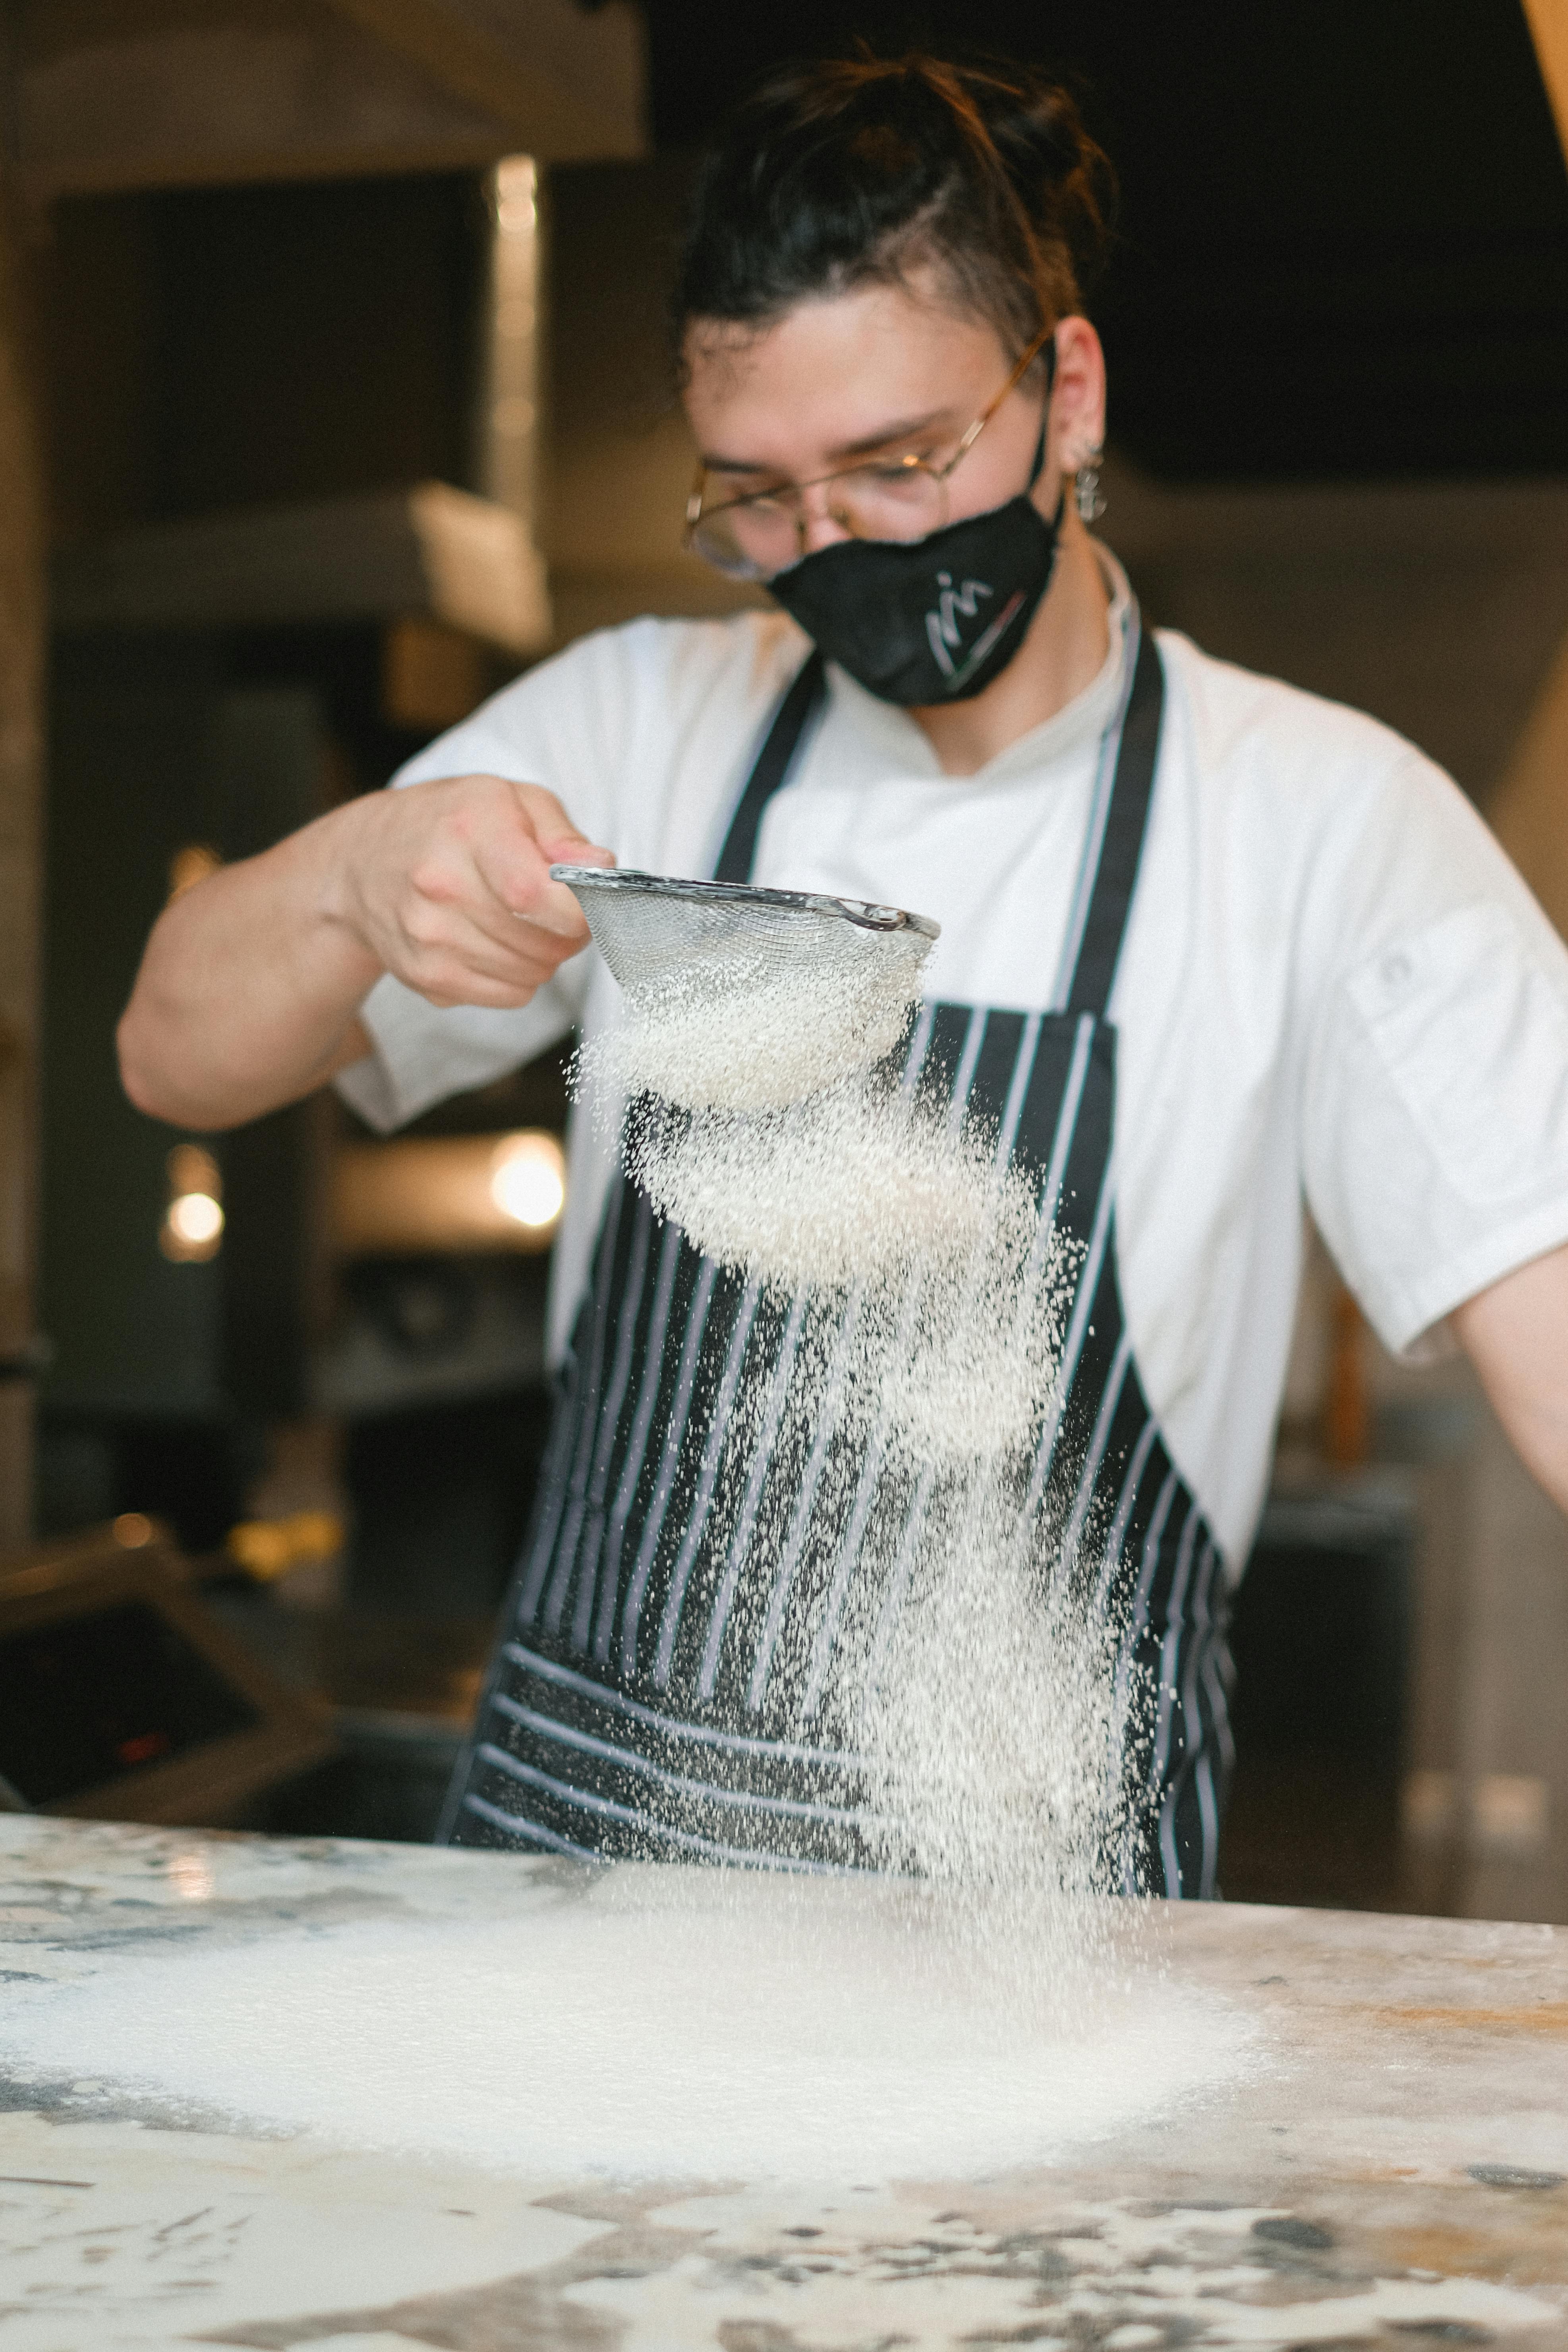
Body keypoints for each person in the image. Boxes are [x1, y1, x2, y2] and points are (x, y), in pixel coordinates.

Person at [119, 52, 1568, 1896]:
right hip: (589, 1902)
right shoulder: (640, 727)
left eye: (899, 463)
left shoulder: (1317, 821)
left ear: (1066, 393)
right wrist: (349, 878)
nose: (838, 545)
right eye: (761, 499)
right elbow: (173, 1054)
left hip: (1024, 1952)